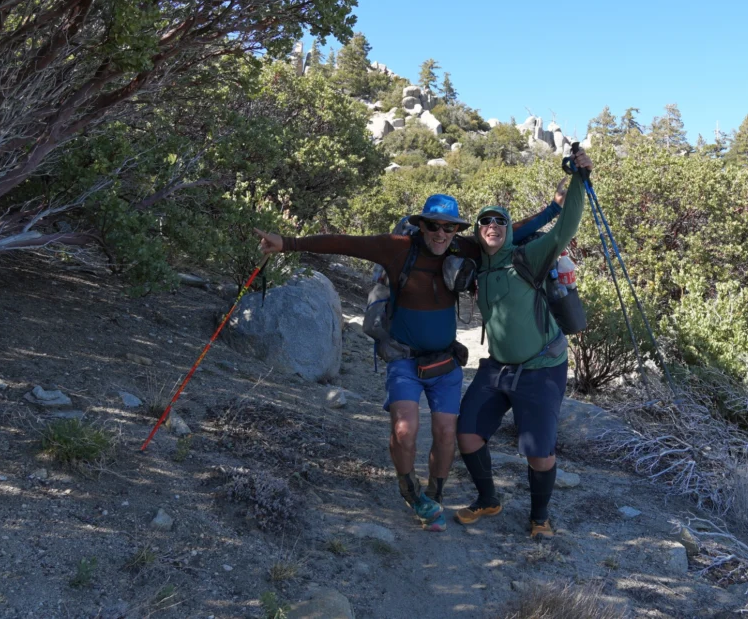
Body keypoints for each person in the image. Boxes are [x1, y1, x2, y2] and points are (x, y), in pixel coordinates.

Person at [254, 186, 565, 532]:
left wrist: (553, 208)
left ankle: (435, 493)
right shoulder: (398, 249)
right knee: (405, 430)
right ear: (421, 225)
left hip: (445, 361)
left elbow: (509, 230)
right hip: (403, 358)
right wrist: (287, 243)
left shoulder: (463, 247)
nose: (441, 234)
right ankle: (410, 490)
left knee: (447, 433)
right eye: (434, 226)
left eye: (450, 228)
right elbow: (347, 242)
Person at [454, 149, 593, 540]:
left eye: (499, 220)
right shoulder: (479, 265)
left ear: (508, 229)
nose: (492, 225)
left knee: (539, 452)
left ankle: (540, 518)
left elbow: (564, 228)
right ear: (478, 232)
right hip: (497, 367)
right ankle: (487, 499)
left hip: (541, 368)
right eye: (485, 221)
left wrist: (579, 180)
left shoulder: (527, 256)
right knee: (467, 434)